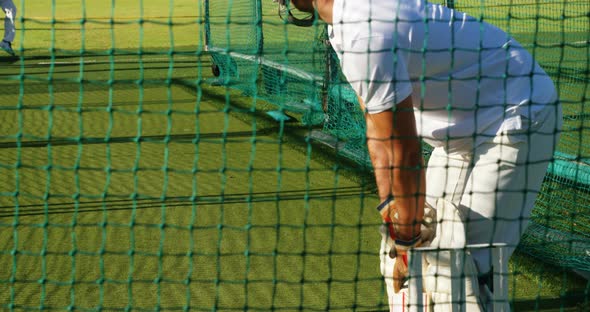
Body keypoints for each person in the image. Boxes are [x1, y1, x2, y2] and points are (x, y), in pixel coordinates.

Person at [280, 0, 562, 311]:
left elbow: (406, 152)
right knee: (426, 246)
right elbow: (378, 130)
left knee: (467, 266)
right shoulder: (343, 23)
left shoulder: (362, 30)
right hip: (460, 130)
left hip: (517, 110)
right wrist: (392, 211)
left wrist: (405, 237)